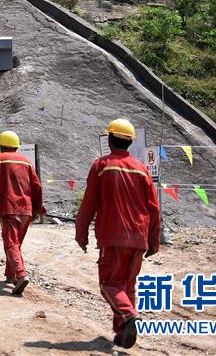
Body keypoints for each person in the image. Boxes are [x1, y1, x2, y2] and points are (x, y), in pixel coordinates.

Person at [75, 118, 161, 349]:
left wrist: (81, 233)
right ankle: (123, 334)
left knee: (109, 285)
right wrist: (154, 241)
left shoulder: (102, 166)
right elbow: (154, 208)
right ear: (130, 142)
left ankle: (130, 316)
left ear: (110, 140)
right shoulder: (142, 169)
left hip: (113, 236)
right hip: (139, 237)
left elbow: (89, 203)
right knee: (127, 286)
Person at [0, 131, 44, 296]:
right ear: (16, 146)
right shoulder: (27, 162)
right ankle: (10, 274)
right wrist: (38, 208)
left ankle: (21, 275)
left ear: (1, 146)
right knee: (15, 243)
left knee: (11, 242)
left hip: (8, 208)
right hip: (26, 209)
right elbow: (37, 186)